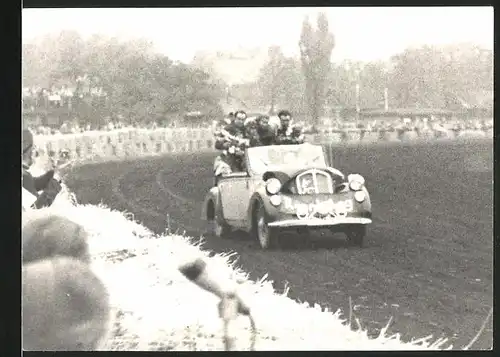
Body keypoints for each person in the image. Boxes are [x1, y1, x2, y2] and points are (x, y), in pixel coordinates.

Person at [22, 129, 62, 210]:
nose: (35, 151)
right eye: (33, 147)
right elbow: (37, 209)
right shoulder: (23, 175)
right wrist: (56, 179)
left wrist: (51, 173)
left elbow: (32, 184)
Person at [212, 110, 250, 184]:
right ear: (235, 118)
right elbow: (217, 144)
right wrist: (225, 145)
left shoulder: (246, 130)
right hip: (230, 158)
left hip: (244, 158)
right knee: (231, 178)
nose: (241, 121)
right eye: (239, 119)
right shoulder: (227, 129)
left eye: (243, 119)